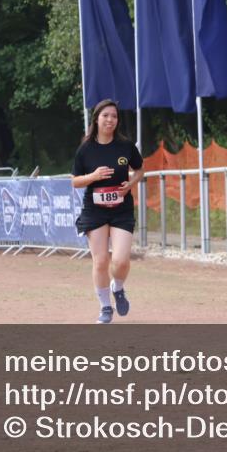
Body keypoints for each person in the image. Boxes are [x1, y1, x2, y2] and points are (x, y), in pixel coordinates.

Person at [71, 99, 144, 324]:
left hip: (121, 209)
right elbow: (75, 181)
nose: (110, 120)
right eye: (105, 116)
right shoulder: (86, 149)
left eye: (114, 116)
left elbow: (140, 170)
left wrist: (130, 185)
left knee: (121, 261)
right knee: (101, 261)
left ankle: (118, 288)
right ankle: (105, 308)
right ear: (96, 118)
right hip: (95, 211)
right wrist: (93, 177)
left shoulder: (125, 146)